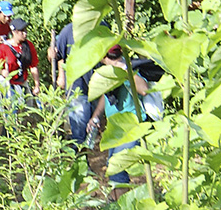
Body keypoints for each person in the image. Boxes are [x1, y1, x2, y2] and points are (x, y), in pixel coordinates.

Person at [87, 45, 150, 199]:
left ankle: (121, 209)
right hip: (115, 128)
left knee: (118, 167)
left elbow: (144, 89)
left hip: (131, 127)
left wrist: (126, 71)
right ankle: (116, 201)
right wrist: (96, 116)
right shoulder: (108, 73)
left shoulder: (130, 69)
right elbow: (106, 97)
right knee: (112, 165)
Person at [54, 22, 94, 145]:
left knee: (93, 116)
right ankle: (79, 152)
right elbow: (59, 55)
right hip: (76, 79)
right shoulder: (68, 31)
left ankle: (87, 146)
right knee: (78, 115)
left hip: (97, 78)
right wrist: (61, 75)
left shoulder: (101, 26)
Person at [0, 18, 40, 106]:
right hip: (8, 81)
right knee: (12, 106)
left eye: (25, 30)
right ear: (14, 32)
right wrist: (2, 71)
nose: (25, 33)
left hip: (22, 80)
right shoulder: (4, 48)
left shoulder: (28, 46)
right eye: (21, 31)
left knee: (28, 106)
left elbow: (33, 66)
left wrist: (36, 85)